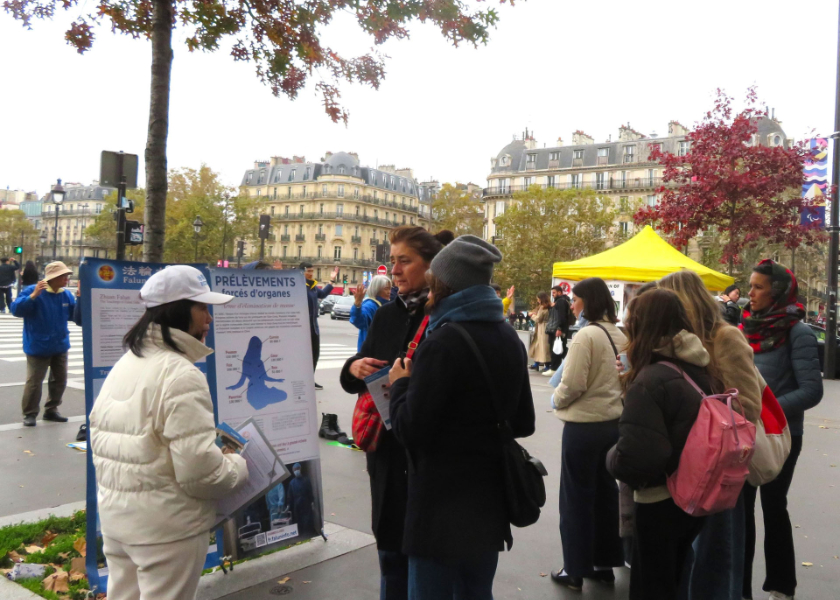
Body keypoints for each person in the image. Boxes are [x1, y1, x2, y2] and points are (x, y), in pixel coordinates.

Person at [89, 265, 249, 600]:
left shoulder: (128, 362)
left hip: (119, 524)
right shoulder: (181, 374)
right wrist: (237, 466)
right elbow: (200, 475)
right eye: (203, 308)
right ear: (180, 310)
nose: (209, 319)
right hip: (167, 531)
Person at [388, 235, 535, 600]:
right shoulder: (508, 337)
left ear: (444, 282)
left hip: (440, 508)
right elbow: (524, 422)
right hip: (488, 501)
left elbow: (409, 429)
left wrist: (401, 385)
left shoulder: (443, 343)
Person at [340, 226, 452, 600]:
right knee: (389, 551)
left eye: (405, 261)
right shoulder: (387, 315)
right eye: (393, 262)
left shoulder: (442, 316)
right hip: (386, 450)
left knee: (422, 559)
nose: (395, 270)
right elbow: (362, 365)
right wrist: (353, 369)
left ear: (431, 265)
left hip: (424, 453)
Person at [658, 270, 762, 600]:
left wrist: (700, 408)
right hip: (681, 465)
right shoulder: (676, 340)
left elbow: (748, 406)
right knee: (685, 560)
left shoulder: (725, 337)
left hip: (717, 465)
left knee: (715, 558)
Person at [606, 288, 714, 599]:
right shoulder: (697, 368)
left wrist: (611, 458)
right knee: (674, 577)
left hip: (659, 497)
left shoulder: (651, 380)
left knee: (651, 583)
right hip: (691, 492)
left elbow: (640, 454)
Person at [741, 259, 822, 600]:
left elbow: (811, 391)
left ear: (776, 292)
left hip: (781, 436)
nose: (751, 292)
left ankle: (781, 585)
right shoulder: (746, 326)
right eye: (751, 285)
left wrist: (765, 411)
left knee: (774, 508)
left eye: (758, 286)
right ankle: (738, 586)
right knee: (739, 511)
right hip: (744, 432)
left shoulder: (798, 332)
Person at [550, 277, 626, 590]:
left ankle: (575, 569)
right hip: (612, 424)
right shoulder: (620, 335)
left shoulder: (586, 336)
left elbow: (572, 384)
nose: (573, 303)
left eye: (577, 299)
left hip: (583, 427)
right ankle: (604, 564)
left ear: (589, 301)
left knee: (575, 499)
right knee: (606, 496)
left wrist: (556, 400)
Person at [10, 261, 80, 427]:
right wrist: (33, 296)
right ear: (53, 277)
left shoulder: (66, 295)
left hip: (60, 344)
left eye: (67, 276)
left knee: (60, 380)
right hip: (38, 345)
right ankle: (30, 413)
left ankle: (51, 409)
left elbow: (75, 316)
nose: (66, 279)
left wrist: (80, 298)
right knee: (34, 382)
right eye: (63, 276)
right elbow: (16, 310)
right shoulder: (33, 291)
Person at [302, 262, 338, 390]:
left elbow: (322, 294)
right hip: (303, 328)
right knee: (303, 356)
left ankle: (310, 379)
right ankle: (302, 381)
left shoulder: (312, 287)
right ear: (302, 272)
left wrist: (332, 280)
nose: (311, 274)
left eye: (312, 271)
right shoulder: (299, 286)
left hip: (314, 327)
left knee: (315, 354)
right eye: (309, 271)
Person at [226, 335, 287, 409]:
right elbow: (265, 377)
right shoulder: (258, 361)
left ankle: (265, 399)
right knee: (284, 395)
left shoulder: (246, 360)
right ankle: (265, 399)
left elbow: (242, 381)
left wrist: (233, 387)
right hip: (260, 391)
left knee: (279, 394)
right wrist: (277, 380)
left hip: (251, 394)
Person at [350, 275, 392, 351]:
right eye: (386, 289)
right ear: (377, 289)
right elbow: (359, 321)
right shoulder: (371, 305)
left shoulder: (386, 304)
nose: (389, 292)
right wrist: (357, 305)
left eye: (390, 289)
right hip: (371, 354)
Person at [544, 286, 572, 377]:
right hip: (557, 329)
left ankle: (554, 368)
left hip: (557, 329)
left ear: (560, 292)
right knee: (560, 349)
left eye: (554, 293)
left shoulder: (561, 302)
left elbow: (562, 316)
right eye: (552, 293)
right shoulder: (560, 301)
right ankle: (566, 366)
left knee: (556, 349)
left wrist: (559, 328)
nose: (553, 294)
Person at [287, 463, 317, 535]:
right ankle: (302, 534)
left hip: (306, 502)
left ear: (300, 469)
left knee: (307, 519)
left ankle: (308, 533)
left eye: (297, 469)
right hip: (297, 504)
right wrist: (288, 505)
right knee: (298, 520)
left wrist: (312, 501)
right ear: (293, 471)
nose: (296, 471)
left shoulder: (306, 480)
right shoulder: (292, 483)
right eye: (295, 469)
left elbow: (310, 491)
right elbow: (290, 496)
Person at [528, 292, 551, 372]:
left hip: (542, 328)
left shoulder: (542, 307)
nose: (537, 301)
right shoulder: (549, 307)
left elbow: (538, 319)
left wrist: (532, 315)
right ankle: (537, 363)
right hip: (543, 327)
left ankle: (546, 365)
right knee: (538, 346)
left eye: (538, 299)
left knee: (543, 347)